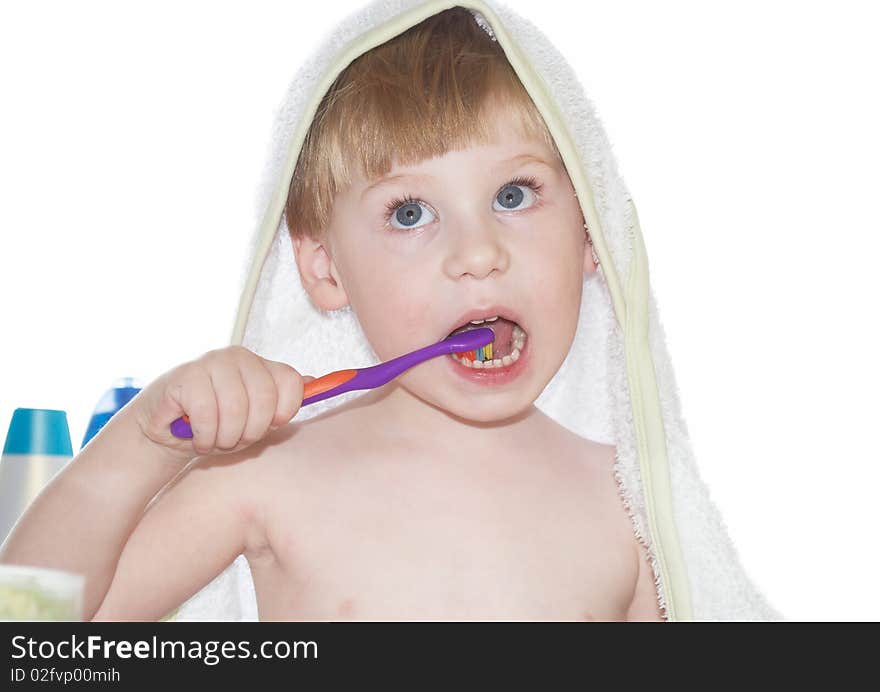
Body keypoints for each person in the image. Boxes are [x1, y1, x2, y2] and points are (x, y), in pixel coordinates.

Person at [0, 3, 781, 622]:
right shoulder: (266, 474)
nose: (476, 252)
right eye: (410, 213)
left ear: (590, 232)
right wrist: (140, 444)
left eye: (514, 196)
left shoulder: (624, 507)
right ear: (324, 268)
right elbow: (34, 633)